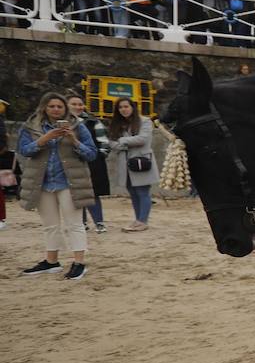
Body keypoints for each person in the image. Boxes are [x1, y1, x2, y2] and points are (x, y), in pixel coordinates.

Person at [17, 92, 97, 280]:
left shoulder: (78, 126)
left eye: (59, 106)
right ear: (44, 107)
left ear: (65, 109)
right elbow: (24, 150)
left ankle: (79, 263)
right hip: (42, 182)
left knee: (74, 224)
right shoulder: (30, 126)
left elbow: (92, 154)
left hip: (70, 182)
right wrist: (44, 139)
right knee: (50, 225)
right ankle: (51, 261)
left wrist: (74, 141)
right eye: (51, 106)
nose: (55, 109)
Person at [108, 98, 159, 232]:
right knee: (133, 192)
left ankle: (143, 221)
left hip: (140, 162)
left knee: (143, 192)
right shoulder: (116, 124)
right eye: (120, 107)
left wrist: (122, 141)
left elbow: (143, 139)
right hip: (125, 163)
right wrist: (122, 144)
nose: (124, 109)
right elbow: (112, 143)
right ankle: (138, 220)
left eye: (126, 106)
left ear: (132, 107)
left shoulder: (145, 121)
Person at [66, 94, 110, 233]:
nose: (78, 107)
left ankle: (99, 222)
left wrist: (98, 157)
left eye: (80, 104)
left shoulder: (93, 122)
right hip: (70, 163)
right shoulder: (60, 122)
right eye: (74, 104)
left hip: (92, 162)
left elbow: (104, 143)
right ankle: (81, 222)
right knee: (75, 193)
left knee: (93, 193)